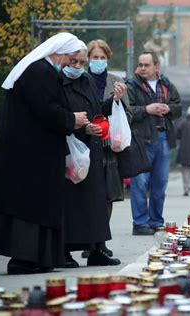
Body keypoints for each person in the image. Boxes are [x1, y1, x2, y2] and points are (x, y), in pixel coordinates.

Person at [0, 32, 89, 274]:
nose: (70, 64)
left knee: (35, 206)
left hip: (31, 152)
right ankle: (25, 259)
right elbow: (46, 109)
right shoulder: (39, 71)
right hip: (30, 156)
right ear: (60, 53)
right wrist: (72, 119)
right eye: (70, 59)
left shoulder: (38, 70)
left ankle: (38, 258)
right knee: (30, 207)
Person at [60, 43, 123, 267]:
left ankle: (97, 248)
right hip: (71, 149)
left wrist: (114, 100)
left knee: (96, 201)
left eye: (81, 62)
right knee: (70, 204)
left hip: (92, 149)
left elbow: (97, 110)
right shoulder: (60, 82)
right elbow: (59, 114)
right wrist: (81, 127)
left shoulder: (86, 81)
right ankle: (64, 251)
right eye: (73, 62)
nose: (77, 66)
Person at [83, 39, 131, 259]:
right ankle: (87, 240)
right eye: (95, 57)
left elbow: (128, 115)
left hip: (110, 146)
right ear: (87, 59)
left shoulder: (117, 82)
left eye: (102, 58)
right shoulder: (81, 80)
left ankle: (101, 240)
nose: (99, 61)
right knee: (87, 194)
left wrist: (119, 102)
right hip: (86, 144)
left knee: (108, 195)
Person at [126, 51, 182, 236]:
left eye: (146, 65)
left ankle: (156, 221)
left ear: (156, 66)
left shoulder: (166, 84)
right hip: (141, 140)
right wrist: (147, 109)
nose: (142, 68)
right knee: (140, 183)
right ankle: (140, 223)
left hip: (163, 137)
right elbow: (127, 111)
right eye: (140, 64)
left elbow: (178, 107)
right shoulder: (131, 85)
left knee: (160, 183)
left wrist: (169, 109)